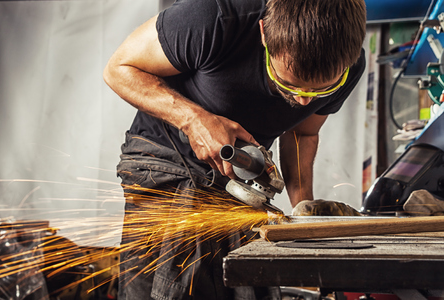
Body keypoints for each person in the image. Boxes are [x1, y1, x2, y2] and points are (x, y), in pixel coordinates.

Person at [104, 0, 366, 298]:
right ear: (265, 34)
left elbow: (303, 133)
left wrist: (302, 210)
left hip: (240, 183)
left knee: (246, 286)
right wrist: (194, 120)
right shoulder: (214, 17)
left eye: (320, 90)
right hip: (166, 163)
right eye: (288, 84)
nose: (304, 99)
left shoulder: (351, 65)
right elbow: (119, 69)